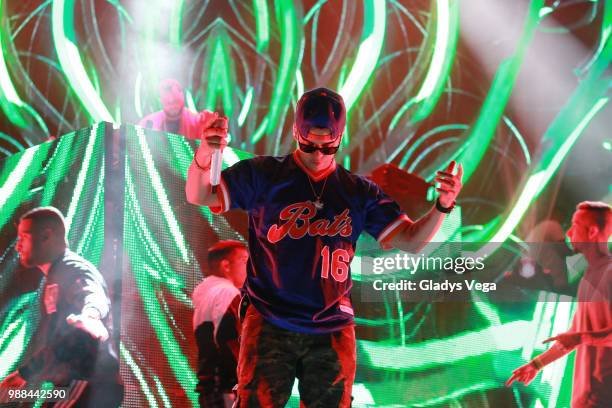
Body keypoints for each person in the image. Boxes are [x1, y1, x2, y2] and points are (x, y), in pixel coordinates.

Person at [185, 87, 464, 407]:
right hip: (270, 318)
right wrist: (205, 155)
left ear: (340, 137)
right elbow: (200, 195)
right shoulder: (264, 174)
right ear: (295, 133)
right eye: (308, 144)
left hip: (332, 326)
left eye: (327, 145)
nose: (317, 153)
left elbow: (412, 241)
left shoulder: (358, 192)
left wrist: (443, 206)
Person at [0, 207, 123, 407]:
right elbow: (59, 343)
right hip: (75, 384)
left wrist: (91, 315)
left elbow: (91, 294)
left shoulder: (72, 269)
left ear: (46, 236)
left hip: (89, 381)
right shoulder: (56, 275)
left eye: (24, 237)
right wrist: (24, 375)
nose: (17, 246)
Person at [506, 201, 612, 408]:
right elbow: (573, 336)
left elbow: (579, 336)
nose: (569, 233)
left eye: (575, 225)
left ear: (591, 232)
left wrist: (582, 338)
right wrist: (537, 364)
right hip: (585, 399)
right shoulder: (589, 278)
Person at [192, 240, 248, 408]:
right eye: (244, 261)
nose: (250, 268)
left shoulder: (206, 295)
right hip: (227, 388)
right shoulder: (227, 292)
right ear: (226, 266)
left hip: (211, 386)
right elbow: (228, 337)